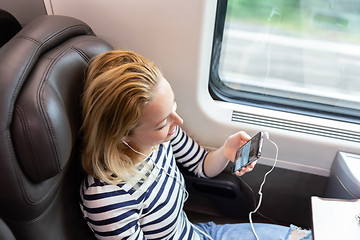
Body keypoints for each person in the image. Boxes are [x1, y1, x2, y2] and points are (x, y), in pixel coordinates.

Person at [79, 50, 311, 240]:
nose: (177, 122)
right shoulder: (107, 199)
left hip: (200, 234)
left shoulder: (160, 140)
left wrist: (225, 151)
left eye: (174, 106)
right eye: (161, 123)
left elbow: (201, 164)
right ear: (122, 135)